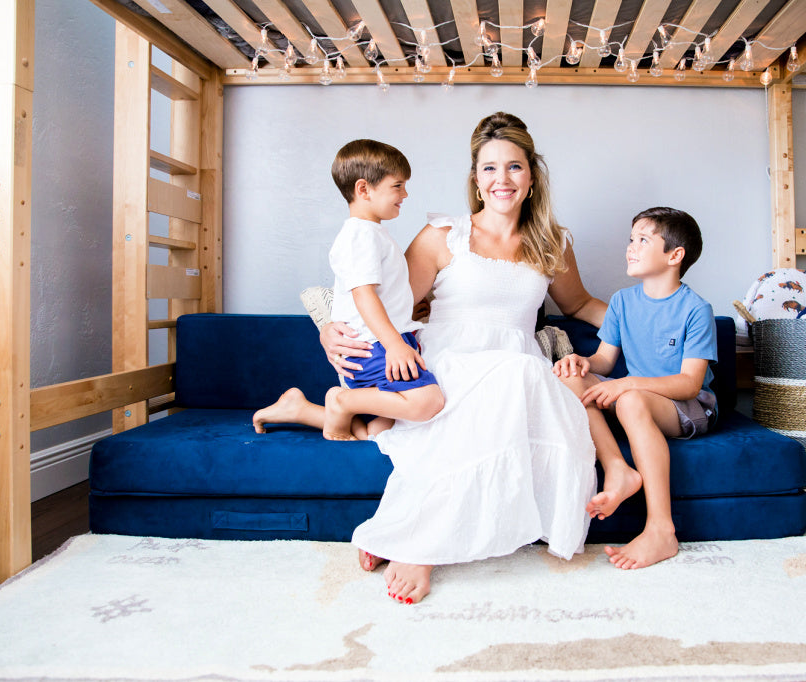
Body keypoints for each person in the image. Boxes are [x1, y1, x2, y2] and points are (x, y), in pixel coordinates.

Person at [267, 112, 607, 604]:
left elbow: (580, 306)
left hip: (517, 365)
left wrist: (643, 313)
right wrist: (325, 332)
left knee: (514, 375)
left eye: (514, 167)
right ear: (475, 178)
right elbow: (381, 301)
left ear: (532, 175)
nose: (501, 180)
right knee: (484, 391)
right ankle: (421, 544)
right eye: (489, 169)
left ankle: (404, 522)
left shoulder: (552, 243)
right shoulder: (443, 236)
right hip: (447, 361)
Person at [554, 207, 717, 570]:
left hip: (687, 404)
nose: (631, 247)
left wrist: (629, 385)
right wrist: (582, 362)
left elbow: (689, 383)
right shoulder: (623, 303)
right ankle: (618, 468)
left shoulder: (695, 310)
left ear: (675, 255)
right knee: (568, 379)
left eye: (644, 240)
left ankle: (661, 529)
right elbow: (604, 362)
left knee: (629, 400)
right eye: (631, 239)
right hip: (638, 398)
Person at [253, 139, 444, 440]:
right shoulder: (360, 236)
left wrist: (406, 311)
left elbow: (381, 293)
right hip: (375, 348)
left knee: (379, 433)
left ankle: (299, 409)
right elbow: (363, 295)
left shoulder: (372, 233)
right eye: (398, 186)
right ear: (364, 189)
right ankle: (341, 401)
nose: (405, 194)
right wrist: (394, 344)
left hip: (383, 343)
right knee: (428, 402)